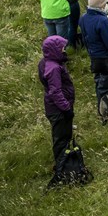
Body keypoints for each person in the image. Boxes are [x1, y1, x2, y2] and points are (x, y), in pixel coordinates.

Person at [38, 35, 76, 185]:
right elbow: (55, 91)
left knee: (63, 136)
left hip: (54, 108)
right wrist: (66, 108)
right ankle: (62, 170)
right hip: (58, 110)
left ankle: (63, 164)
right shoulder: (53, 68)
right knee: (61, 139)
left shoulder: (46, 62)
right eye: (62, 48)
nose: (64, 50)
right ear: (54, 50)